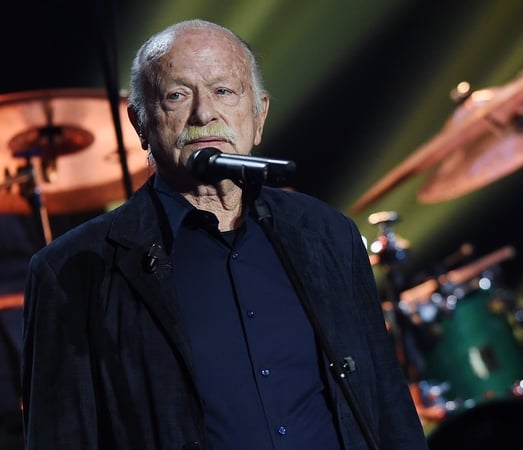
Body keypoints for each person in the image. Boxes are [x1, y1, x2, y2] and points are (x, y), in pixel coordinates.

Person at [21, 19, 429, 450]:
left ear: (259, 115)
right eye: (177, 95)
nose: (204, 114)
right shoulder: (70, 272)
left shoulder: (327, 233)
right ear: (140, 123)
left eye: (224, 91)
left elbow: (389, 406)